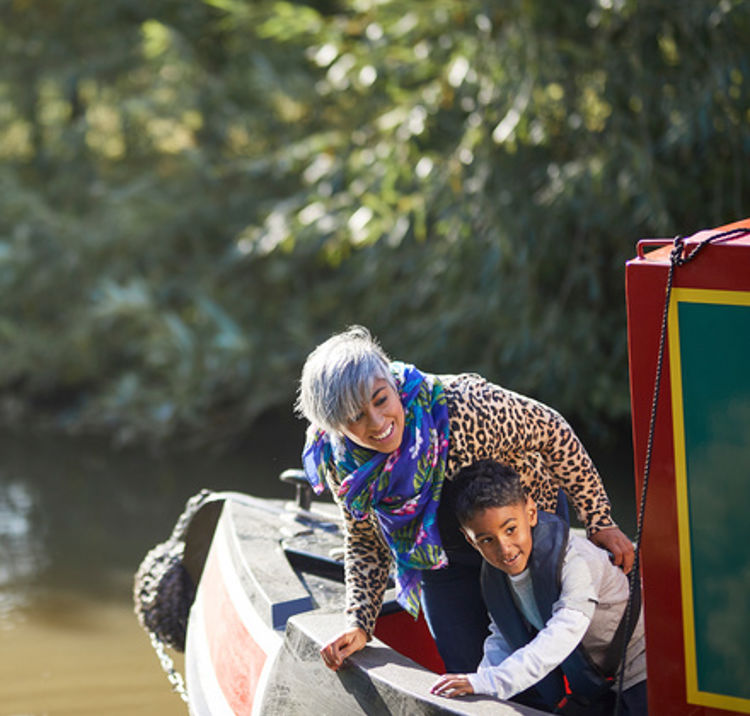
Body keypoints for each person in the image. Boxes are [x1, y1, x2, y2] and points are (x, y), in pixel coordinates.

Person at [296, 325, 635, 673]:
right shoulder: (339, 463)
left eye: (381, 400)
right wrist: (359, 621)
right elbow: (365, 538)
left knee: (553, 652)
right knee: (466, 667)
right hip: (441, 557)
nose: (378, 422)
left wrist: (599, 519)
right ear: (334, 427)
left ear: (392, 386)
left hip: (523, 532)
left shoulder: (464, 405)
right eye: (355, 417)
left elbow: (553, 430)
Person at [430, 459, 647, 715]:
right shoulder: (496, 575)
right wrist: (480, 684)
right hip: (600, 684)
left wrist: (490, 683)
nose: (504, 548)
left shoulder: (576, 561)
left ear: (531, 513)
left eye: (510, 529)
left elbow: (562, 634)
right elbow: (501, 635)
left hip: (644, 671)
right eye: (487, 540)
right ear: (470, 540)